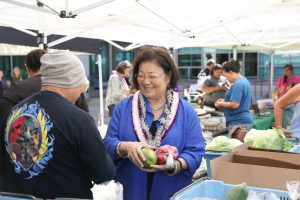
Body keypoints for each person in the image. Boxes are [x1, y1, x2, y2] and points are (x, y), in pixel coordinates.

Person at [1, 50, 115, 199]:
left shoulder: (13, 113)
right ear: (70, 80)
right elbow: (104, 173)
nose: (82, 90)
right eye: (82, 84)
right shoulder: (80, 120)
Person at [104, 47, 205, 200]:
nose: (145, 81)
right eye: (141, 75)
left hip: (171, 192)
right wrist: (125, 147)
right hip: (131, 192)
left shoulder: (186, 111)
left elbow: (195, 152)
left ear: (168, 77)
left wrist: (175, 165)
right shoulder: (123, 108)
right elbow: (108, 143)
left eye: (152, 76)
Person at [215, 60, 253, 132]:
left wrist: (221, 103)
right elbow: (239, 100)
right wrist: (224, 101)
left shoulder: (238, 84)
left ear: (231, 72)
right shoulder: (244, 81)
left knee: (237, 143)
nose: (226, 79)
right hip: (242, 120)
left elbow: (234, 104)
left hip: (238, 122)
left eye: (226, 76)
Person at [273, 64, 300, 128]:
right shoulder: (281, 79)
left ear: (291, 71)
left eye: (287, 70)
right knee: (284, 122)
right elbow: (276, 92)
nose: (285, 72)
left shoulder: (296, 79)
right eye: (284, 70)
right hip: (284, 103)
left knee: (291, 119)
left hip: (292, 104)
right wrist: (277, 94)